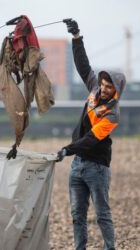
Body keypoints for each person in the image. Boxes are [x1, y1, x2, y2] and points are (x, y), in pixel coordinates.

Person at [57, 20, 126, 250]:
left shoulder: (113, 114)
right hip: (78, 165)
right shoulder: (94, 89)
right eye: (103, 84)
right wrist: (76, 37)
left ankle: (110, 248)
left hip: (97, 168)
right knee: (77, 214)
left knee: (102, 215)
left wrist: (68, 149)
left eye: (109, 87)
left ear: (116, 90)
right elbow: (83, 66)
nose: (104, 89)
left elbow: (91, 139)